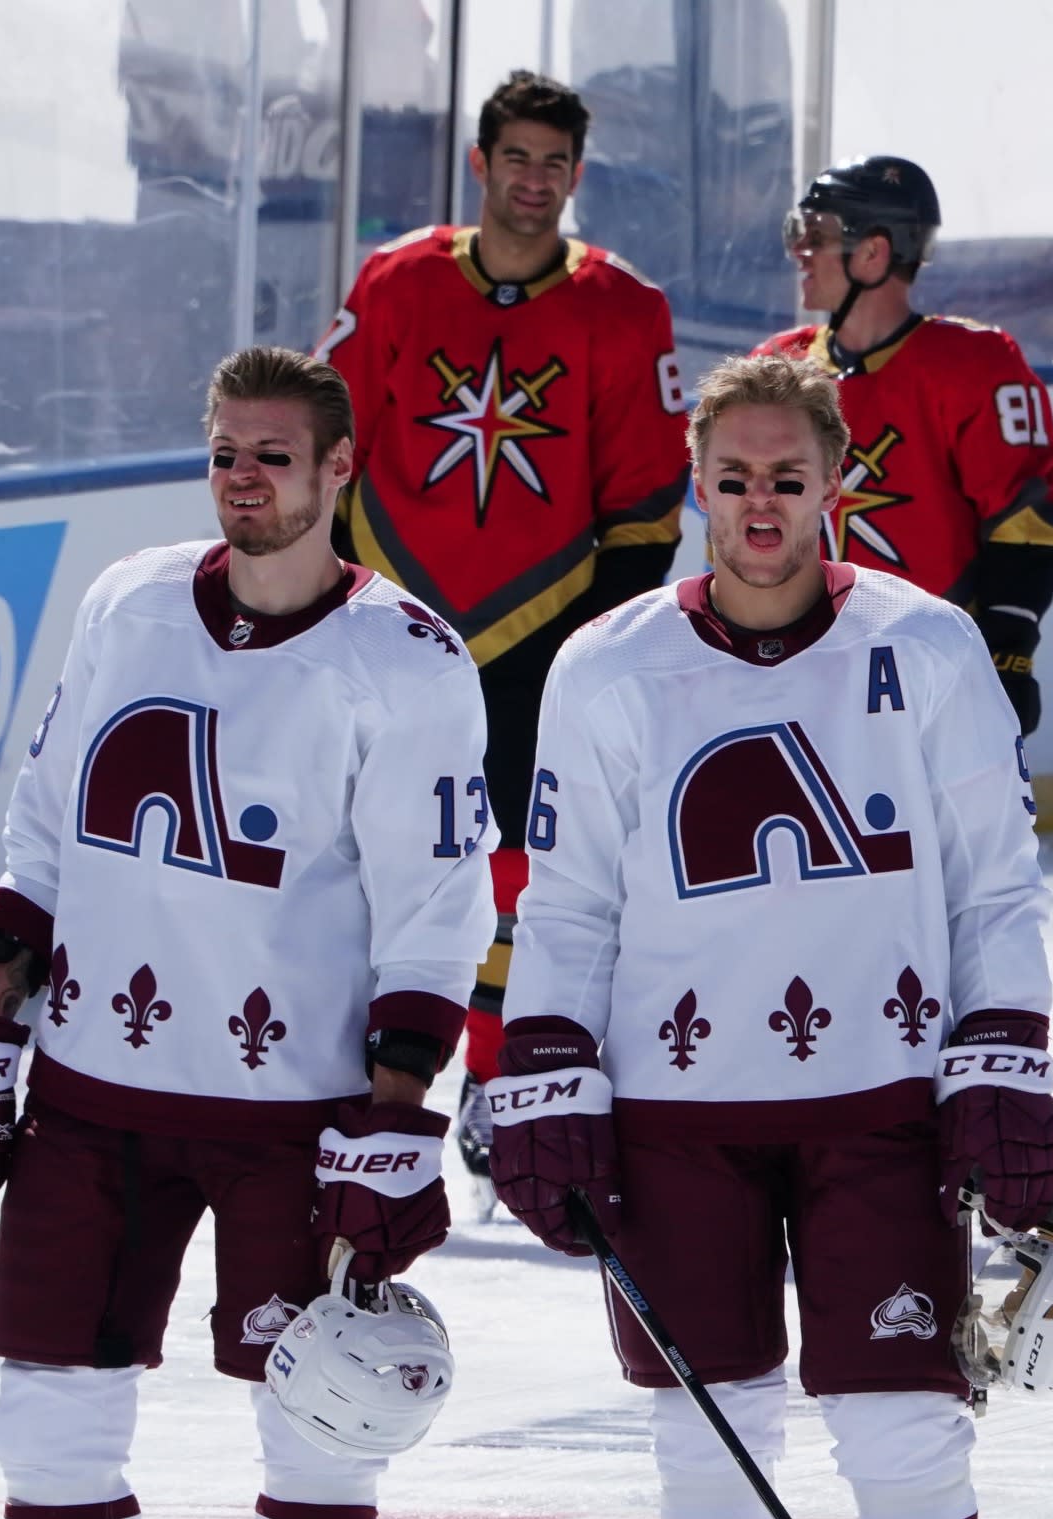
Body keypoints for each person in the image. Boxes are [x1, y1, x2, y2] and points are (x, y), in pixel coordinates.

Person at [482, 352, 1053, 1519]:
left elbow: (991, 881)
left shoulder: (927, 646)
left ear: (837, 487)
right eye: (734, 481)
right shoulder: (607, 670)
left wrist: (1004, 1065)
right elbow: (570, 900)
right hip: (674, 1119)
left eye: (789, 480)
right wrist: (544, 1071)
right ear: (698, 486)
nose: (761, 509)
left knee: (904, 1433)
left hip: (878, 1107)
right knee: (710, 1436)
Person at [0, 347, 490, 1519]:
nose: (243, 477)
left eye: (275, 455)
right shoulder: (129, 601)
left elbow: (440, 914)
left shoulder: (409, 661)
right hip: (96, 1084)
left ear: (340, 471)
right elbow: (46, 819)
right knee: (49, 1404)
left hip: (286, 1116)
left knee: (318, 1407)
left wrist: (391, 1113)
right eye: (224, 450)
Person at [318, 70, 688, 1192]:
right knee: (354, 848)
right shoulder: (396, 282)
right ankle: (342, 1064)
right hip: (390, 620)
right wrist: (326, 598)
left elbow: (641, 502)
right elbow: (332, 443)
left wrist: (596, 649)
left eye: (555, 165)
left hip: (540, 629)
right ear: (479, 165)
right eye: (516, 159)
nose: (535, 182)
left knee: (519, 874)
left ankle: (492, 1072)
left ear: (577, 177)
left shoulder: (626, 310)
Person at [755, 155, 1053, 737]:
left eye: (816, 233)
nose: (798, 249)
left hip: (932, 669)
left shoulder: (973, 365)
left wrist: (1005, 654)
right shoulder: (773, 367)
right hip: (797, 668)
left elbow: (1026, 523)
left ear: (874, 253)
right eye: (796, 230)